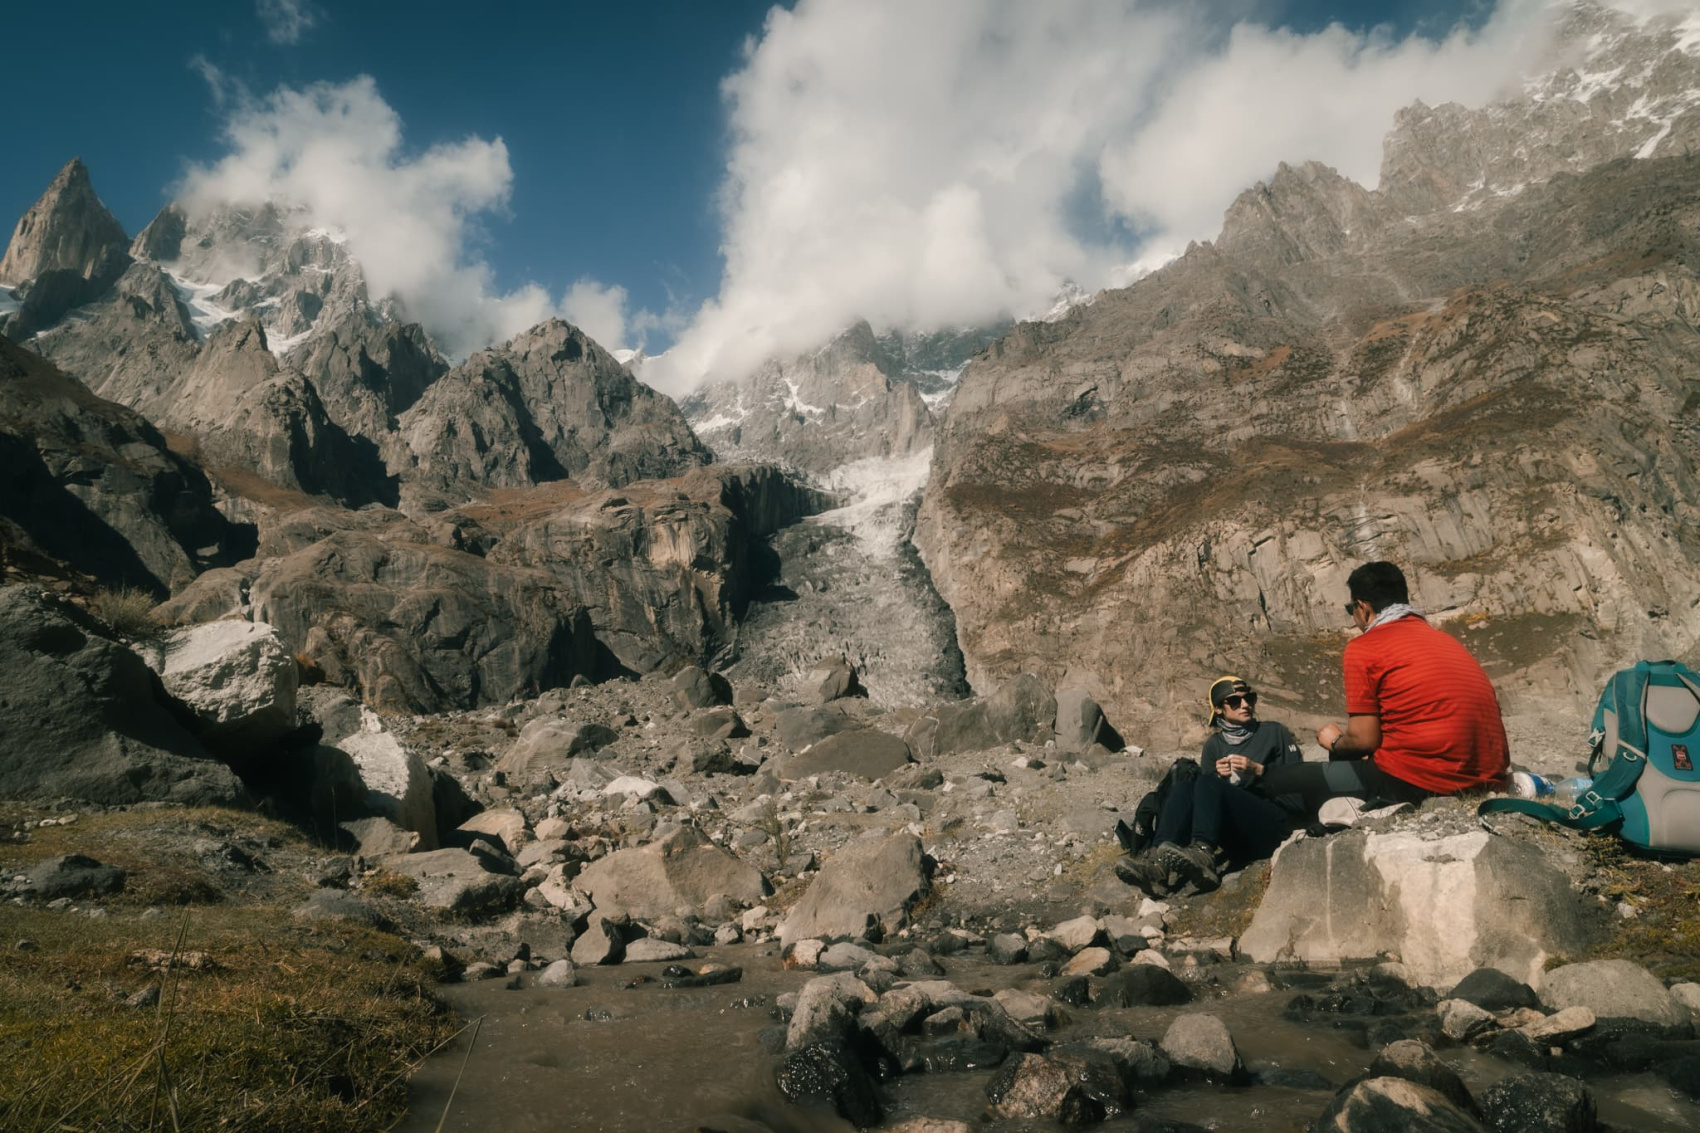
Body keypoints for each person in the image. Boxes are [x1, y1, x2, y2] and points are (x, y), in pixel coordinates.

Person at [1260, 561, 1510, 817]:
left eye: (1351, 609)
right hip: (1488, 780)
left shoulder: (1365, 647)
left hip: (1420, 782)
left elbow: (1362, 741)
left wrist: (1334, 742)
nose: (1353, 616)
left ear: (1363, 608)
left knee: (1280, 781)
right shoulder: (1446, 640)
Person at [1116, 676, 1304, 896]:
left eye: (1249, 698)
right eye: (1234, 701)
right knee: (1187, 787)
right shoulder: (1214, 746)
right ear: (1219, 710)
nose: (1245, 705)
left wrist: (1258, 771)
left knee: (1206, 781)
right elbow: (1204, 806)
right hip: (1238, 834)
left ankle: (1204, 855)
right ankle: (1158, 866)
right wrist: (1220, 779)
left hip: (1275, 826)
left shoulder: (1273, 733)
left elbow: (1299, 785)